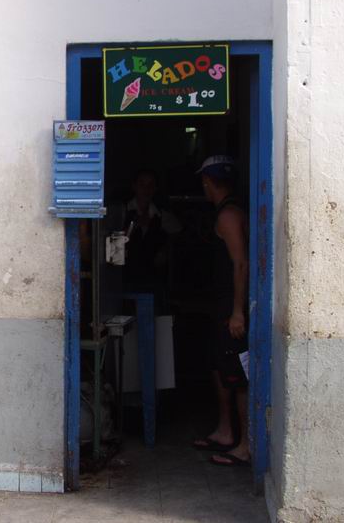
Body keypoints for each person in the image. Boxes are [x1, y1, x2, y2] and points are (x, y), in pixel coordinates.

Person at [191, 156, 251, 467]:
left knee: (237, 375)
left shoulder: (228, 215)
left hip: (231, 307)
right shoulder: (231, 211)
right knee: (221, 368)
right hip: (223, 304)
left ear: (207, 182)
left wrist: (238, 311)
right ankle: (227, 432)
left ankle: (245, 445)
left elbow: (241, 263)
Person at [122, 169, 182, 294]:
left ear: (155, 189)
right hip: (124, 276)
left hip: (151, 278)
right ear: (134, 186)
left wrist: (165, 249)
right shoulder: (122, 210)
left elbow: (177, 230)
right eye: (142, 184)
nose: (146, 189)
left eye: (150, 185)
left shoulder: (160, 214)